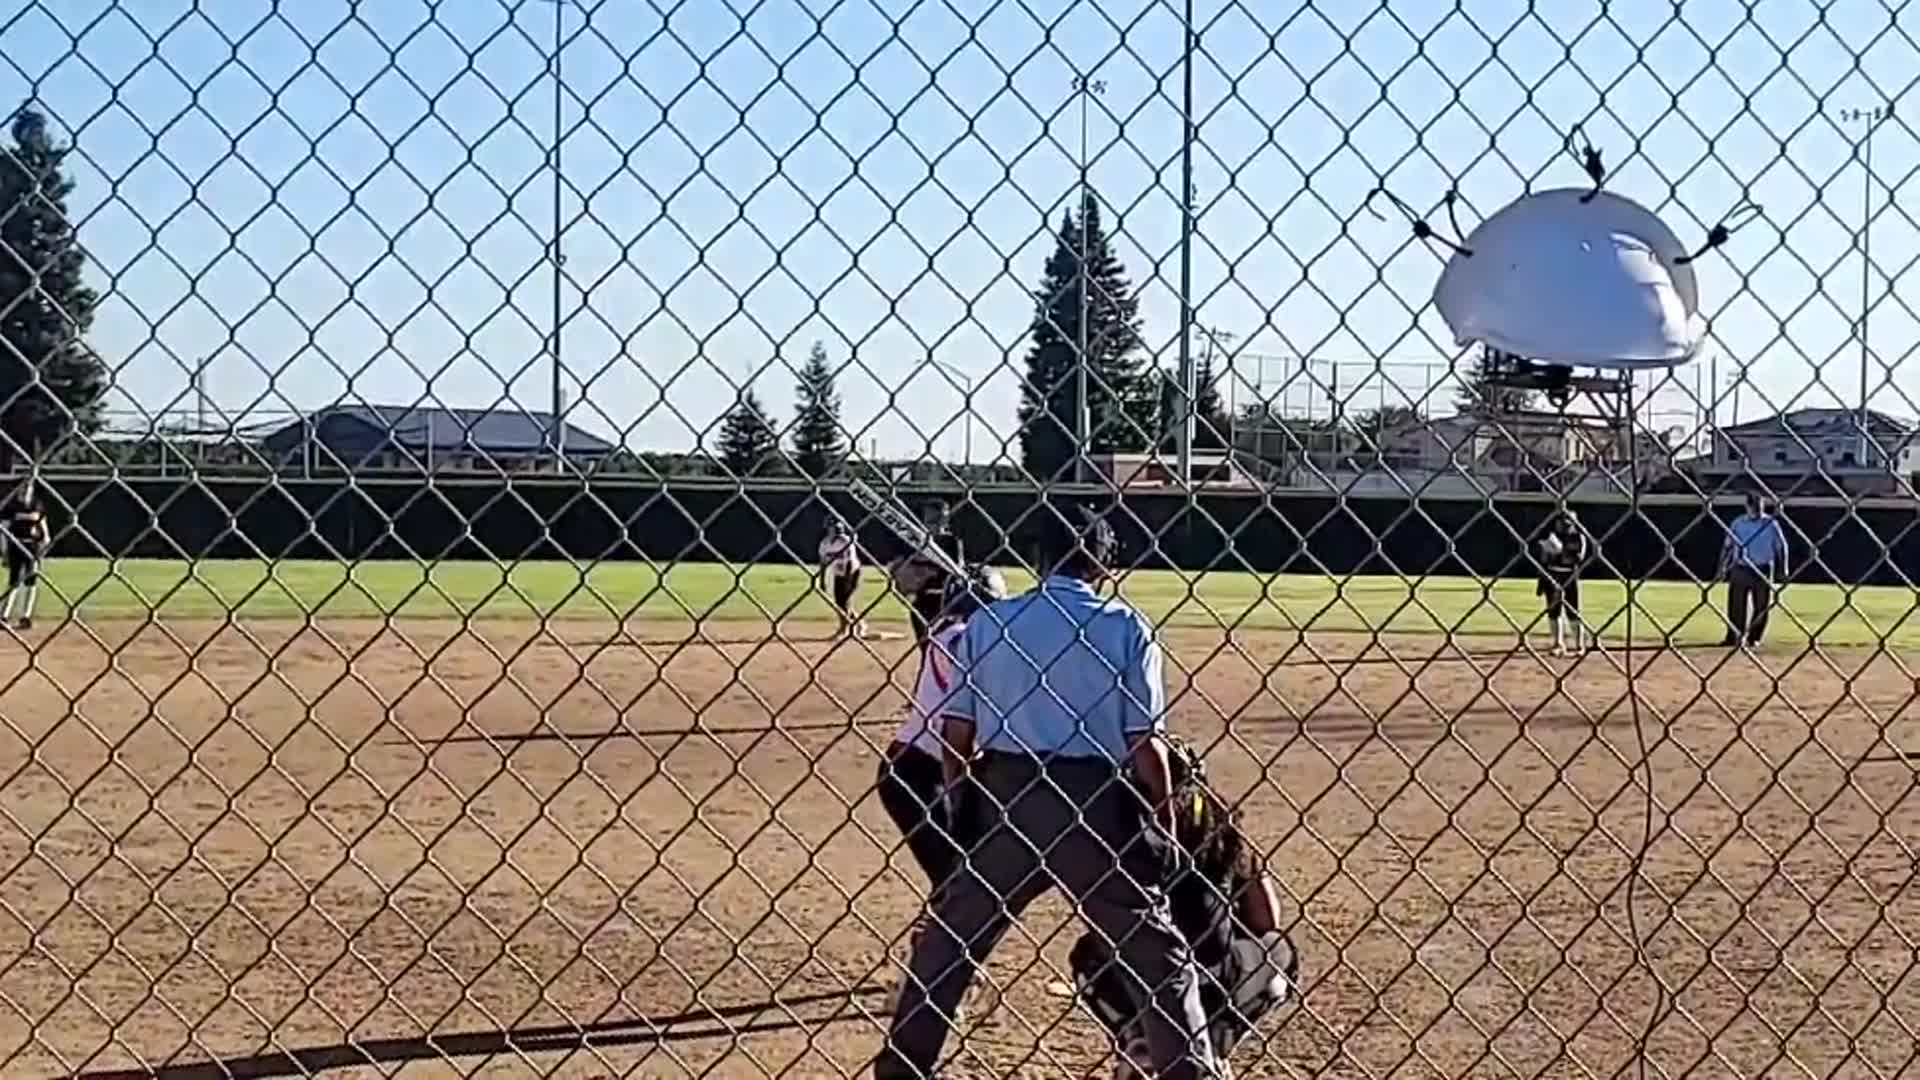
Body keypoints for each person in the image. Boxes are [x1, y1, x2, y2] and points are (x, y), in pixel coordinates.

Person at [875, 506, 1218, 1080]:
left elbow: (957, 735)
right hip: (1096, 805)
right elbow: (1144, 742)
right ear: (1104, 567)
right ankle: (1191, 1073)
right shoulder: (1126, 626)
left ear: (1037, 561)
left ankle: (904, 1069)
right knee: (1157, 956)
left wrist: (964, 807)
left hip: (1005, 796)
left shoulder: (991, 623)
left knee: (950, 944)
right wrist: (1165, 820)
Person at [1069, 737, 1297, 1080]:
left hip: (1135, 976)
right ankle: (1215, 1042)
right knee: (1278, 949)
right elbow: (1266, 919)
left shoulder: (1115, 832)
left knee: (1088, 953)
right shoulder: (1222, 829)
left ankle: (1138, 1039)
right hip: (1216, 977)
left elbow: (1096, 918)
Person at [874, 565, 1009, 1009]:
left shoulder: (948, 633)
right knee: (957, 876)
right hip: (918, 773)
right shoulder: (964, 642)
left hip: (920, 770)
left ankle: (932, 960)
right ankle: (922, 979)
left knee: (955, 875)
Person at [1720, 493, 1788, 647]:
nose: (1757, 509)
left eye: (1759, 506)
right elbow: (1727, 547)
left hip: (1763, 568)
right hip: (1741, 567)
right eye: (1754, 506)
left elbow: (1781, 547)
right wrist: (1723, 567)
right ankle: (1734, 636)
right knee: (1736, 605)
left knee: (1761, 606)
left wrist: (1783, 568)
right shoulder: (1738, 523)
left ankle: (1754, 637)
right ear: (1747, 506)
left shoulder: (1771, 524)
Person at [894, 501, 965, 646]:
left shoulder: (951, 542)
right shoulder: (915, 541)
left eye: (940, 520)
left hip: (945, 603)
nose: (936, 526)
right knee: (925, 647)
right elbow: (902, 570)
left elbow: (958, 571)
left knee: (946, 647)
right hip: (922, 602)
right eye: (931, 521)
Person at [1534, 510, 1590, 656]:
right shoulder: (1552, 536)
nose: (1562, 525)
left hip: (1569, 576)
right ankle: (1558, 644)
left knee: (1573, 612)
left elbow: (1577, 558)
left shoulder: (1578, 537)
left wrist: (1560, 551)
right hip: (1552, 576)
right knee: (1554, 612)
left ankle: (1579, 645)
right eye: (1560, 522)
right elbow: (1544, 560)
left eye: (1567, 522)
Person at [2, 481, 48, 630]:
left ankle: (26, 616)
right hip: (16, 545)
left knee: (31, 581)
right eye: (22, 488)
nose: (25, 491)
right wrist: (4, 550)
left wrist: (45, 539)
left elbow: (42, 523)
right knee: (14, 581)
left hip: (32, 547)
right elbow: (4, 528)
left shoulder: (36, 505)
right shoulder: (12, 506)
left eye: (27, 488)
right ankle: (4, 615)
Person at [819, 517, 866, 638]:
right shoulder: (825, 543)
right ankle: (860, 624)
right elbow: (823, 563)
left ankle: (843, 628)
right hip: (838, 574)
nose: (835, 530)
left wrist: (847, 579)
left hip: (852, 573)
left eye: (836, 528)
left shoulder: (845, 541)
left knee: (843, 602)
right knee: (842, 603)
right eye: (833, 528)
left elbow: (850, 561)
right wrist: (822, 580)